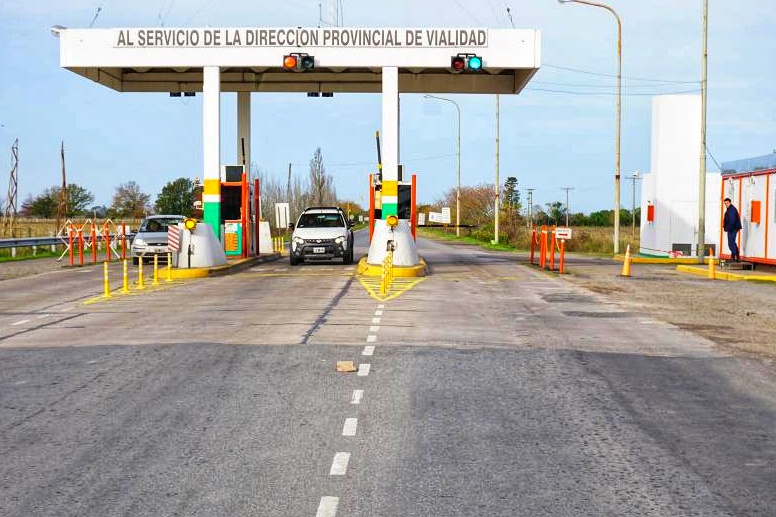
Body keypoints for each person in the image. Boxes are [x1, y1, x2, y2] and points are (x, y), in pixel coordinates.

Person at [723, 197, 742, 262]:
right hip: (732, 228)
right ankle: (736, 256)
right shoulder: (729, 209)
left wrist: (728, 228)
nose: (726, 205)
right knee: (732, 242)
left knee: (731, 243)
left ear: (730, 202)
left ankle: (734, 256)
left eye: (727, 203)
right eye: (725, 203)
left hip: (732, 228)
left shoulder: (732, 210)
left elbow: (732, 221)